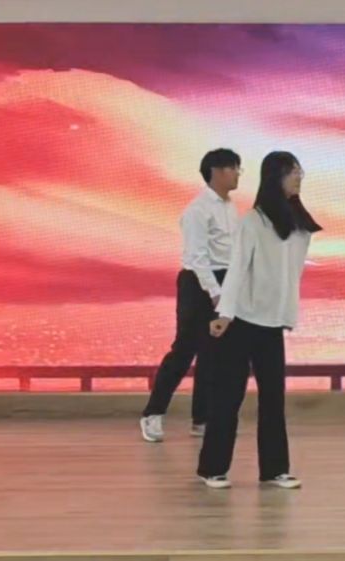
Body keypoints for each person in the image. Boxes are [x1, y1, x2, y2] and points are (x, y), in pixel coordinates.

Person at [196, 151, 321, 490]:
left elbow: (290, 277)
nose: (299, 177)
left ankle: (275, 469)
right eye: (293, 172)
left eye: (300, 171)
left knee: (273, 399)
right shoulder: (253, 221)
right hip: (242, 322)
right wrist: (225, 314)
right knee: (228, 398)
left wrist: (286, 315)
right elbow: (237, 270)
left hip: (271, 325)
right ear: (275, 176)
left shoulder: (298, 226)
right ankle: (213, 468)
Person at [140, 148, 241, 443]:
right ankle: (153, 413)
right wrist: (215, 293)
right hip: (199, 283)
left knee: (214, 353)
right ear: (217, 171)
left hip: (224, 279)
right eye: (234, 168)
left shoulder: (230, 208)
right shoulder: (198, 210)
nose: (237, 174)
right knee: (185, 350)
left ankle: (202, 418)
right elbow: (197, 258)